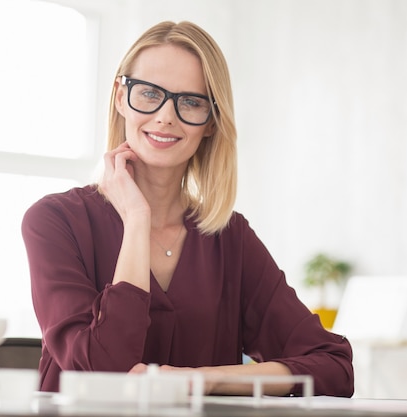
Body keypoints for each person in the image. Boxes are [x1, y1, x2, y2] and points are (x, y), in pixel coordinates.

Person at [21, 20, 354, 397]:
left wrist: (202, 380)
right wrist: (136, 219)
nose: (165, 115)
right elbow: (105, 375)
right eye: (149, 93)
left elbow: (333, 366)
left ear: (211, 121)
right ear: (120, 97)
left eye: (191, 102)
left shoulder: (229, 239)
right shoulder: (54, 222)